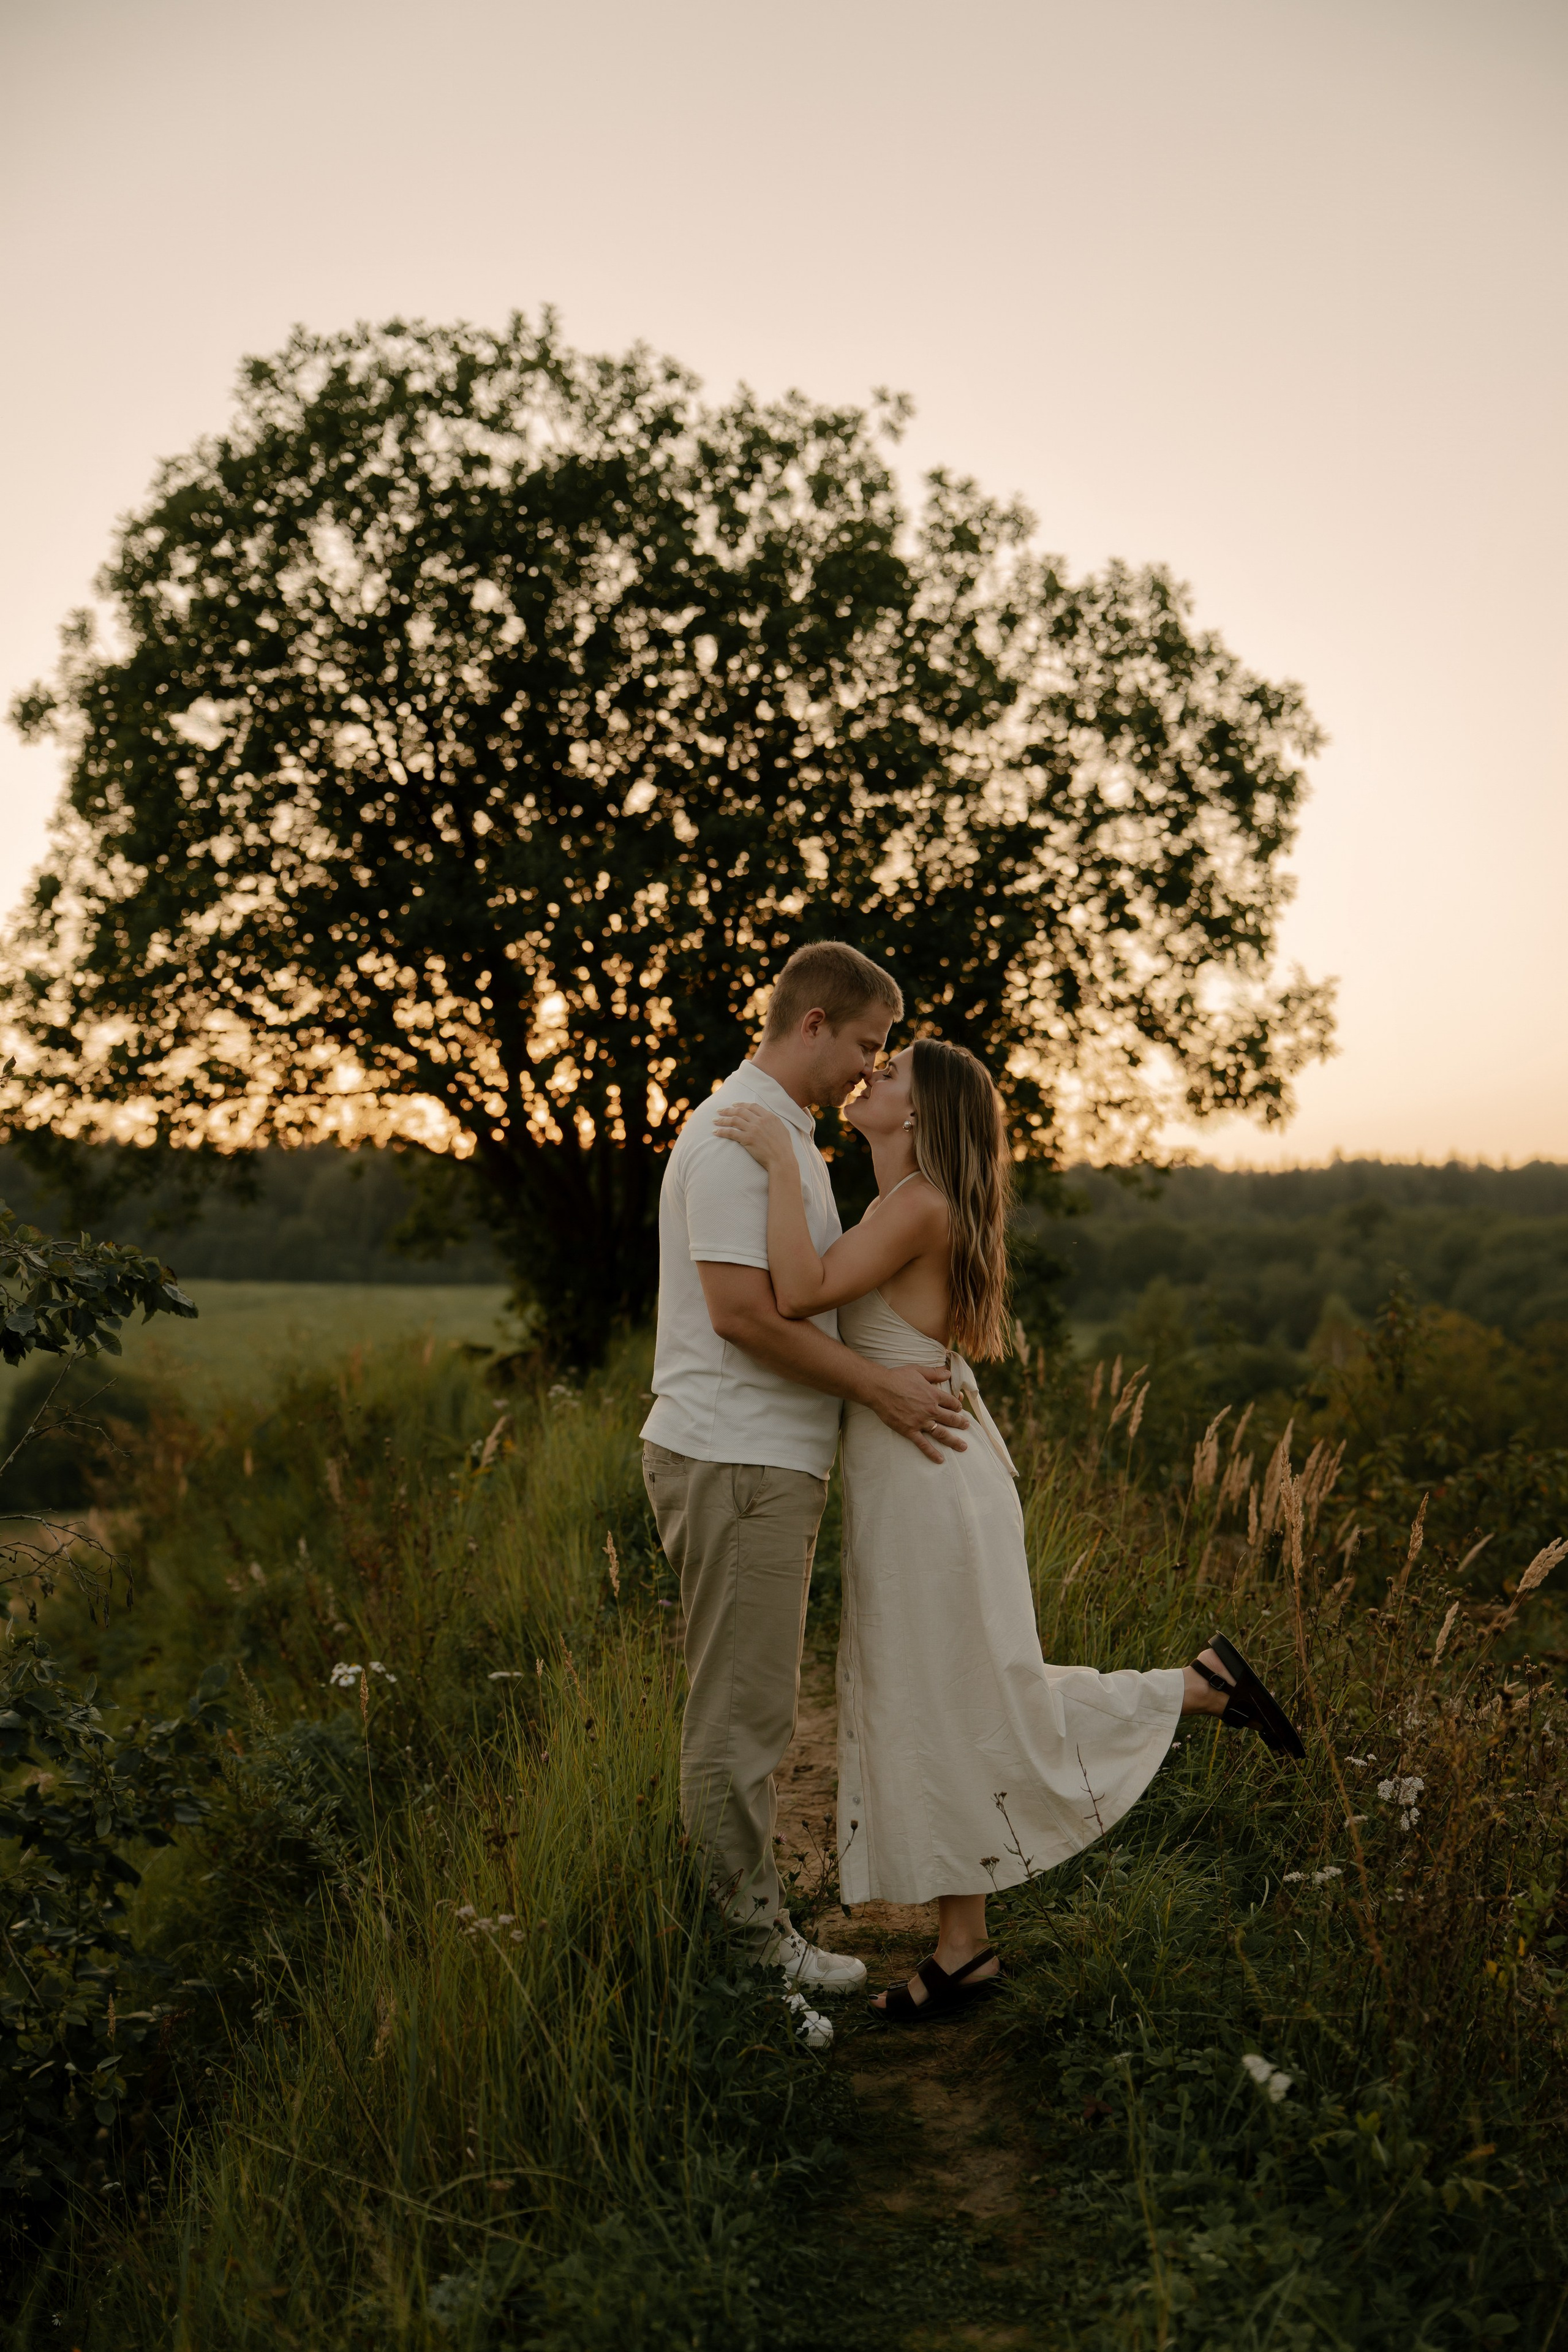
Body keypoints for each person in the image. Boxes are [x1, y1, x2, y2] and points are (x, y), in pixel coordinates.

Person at [714, 1036, 1305, 2024]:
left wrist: (781, 1159)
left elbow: (800, 1293)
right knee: (948, 1693)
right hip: (920, 1478)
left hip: (931, 1486)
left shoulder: (918, 1205)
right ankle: (964, 1945)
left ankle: (1192, 1691)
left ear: (919, 1114)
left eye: (892, 1072)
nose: (872, 1075)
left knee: (966, 1693)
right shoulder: (905, 1203)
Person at [639, 942, 973, 2047]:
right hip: (735, 1459)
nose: (871, 1069)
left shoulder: (781, 1135)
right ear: (815, 1023)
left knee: (755, 1713)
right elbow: (743, 1314)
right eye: (868, 1044)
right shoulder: (739, 1135)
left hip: (761, 1460)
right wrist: (879, 1387)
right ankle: (742, 1974)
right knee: (738, 1723)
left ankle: (760, 1933)